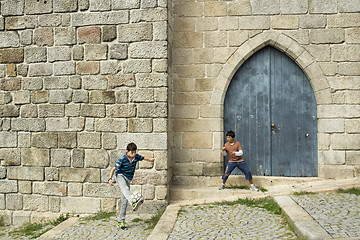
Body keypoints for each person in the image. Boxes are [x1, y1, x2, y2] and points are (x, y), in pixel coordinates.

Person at [108, 142, 155, 230]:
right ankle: (133, 202)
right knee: (125, 189)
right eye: (131, 153)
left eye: (134, 152)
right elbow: (113, 169)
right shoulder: (122, 159)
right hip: (120, 176)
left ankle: (121, 221)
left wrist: (150, 159)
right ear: (127, 151)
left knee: (124, 201)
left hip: (128, 179)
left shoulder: (136, 157)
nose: (133, 154)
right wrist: (110, 179)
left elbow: (143, 158)